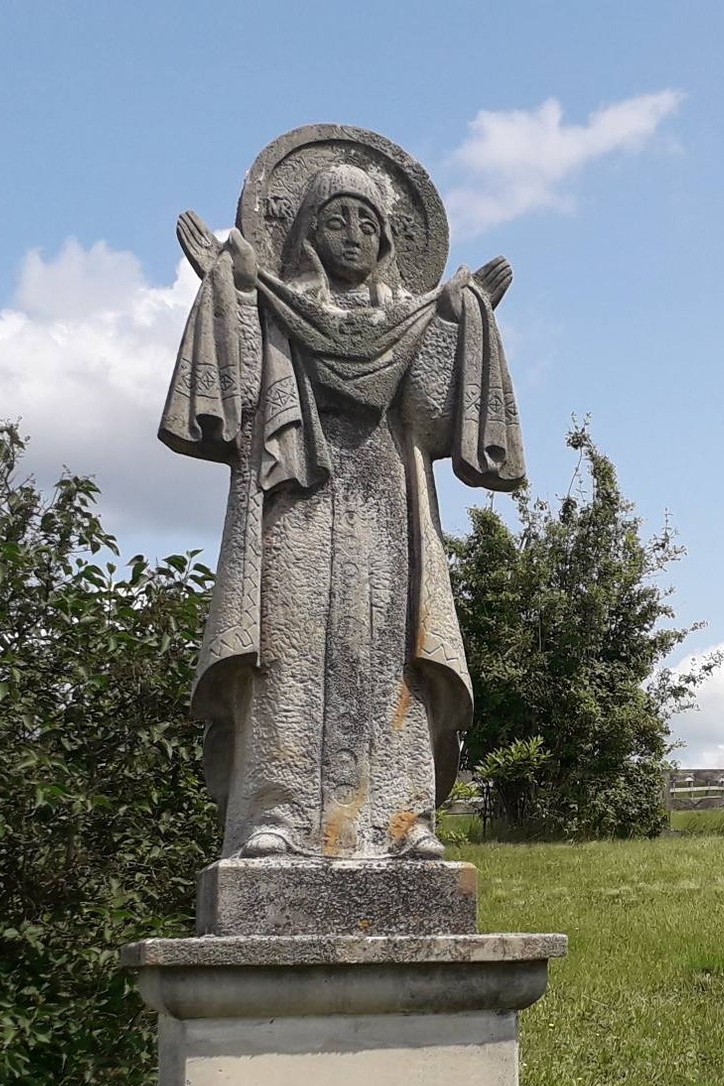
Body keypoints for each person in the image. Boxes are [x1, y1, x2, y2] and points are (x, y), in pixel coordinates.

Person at [161, 159, 523, 860]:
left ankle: (402, 817)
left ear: (388, 237)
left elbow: (426, 414)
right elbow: (238, 408)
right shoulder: (273, 305)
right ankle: (277, 815)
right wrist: (230, 294)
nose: (353, 234)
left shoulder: (408, 319)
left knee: (396, 658)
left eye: (368, 220)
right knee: (284, 655)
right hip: (294, 498)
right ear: (307, 233)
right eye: (336, 219)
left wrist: (454, 323)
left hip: (386, 504)